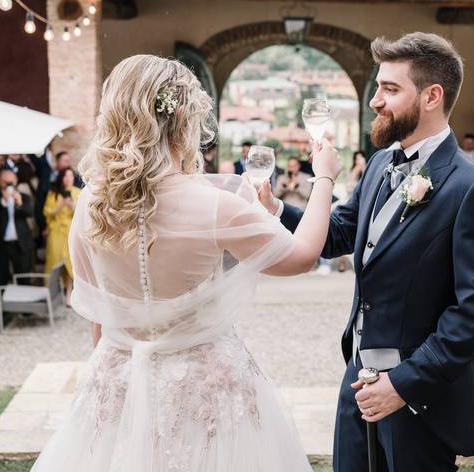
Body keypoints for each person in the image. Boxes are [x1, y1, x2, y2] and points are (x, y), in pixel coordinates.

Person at [31, 55, 341, 471]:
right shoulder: (216, 207)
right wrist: (324, 178)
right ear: (182, 117)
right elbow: (303, 256)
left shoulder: (90, 204)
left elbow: (99, 313)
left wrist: (116, 381)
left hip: (116, 382)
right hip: (206, 396)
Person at [262, 32, 474, 472]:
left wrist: (403, 384)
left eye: (390, 89)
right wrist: (277, 209)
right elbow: (340, 233)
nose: (376, 100)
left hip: (417, 400)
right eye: (378, 87)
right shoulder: (380, 164)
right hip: (356, 381)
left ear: (432, 96)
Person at [0, 168, 35, 285]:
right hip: (1, 244)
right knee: (1, 277)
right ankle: (2, 302)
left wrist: (19, 203)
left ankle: (23, 301)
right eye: (5, 182)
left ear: (16, 181)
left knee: (23, 277)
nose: (9, 185)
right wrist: (3, 201)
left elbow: (30, 212)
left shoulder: (23, 197)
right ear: (0, 182)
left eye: (11, 182)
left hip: (20, 244)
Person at [42, 167, 80, 303]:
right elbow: (47, 212)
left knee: (71, 262)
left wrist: (72, 205)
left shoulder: (77, 192)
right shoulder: (53, 193)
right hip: (57, 232)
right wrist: (60, 205)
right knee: (54, 260)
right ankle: (51, 293)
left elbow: (81, 214)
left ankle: (69, 293)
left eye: (70, 176)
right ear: (61, 178)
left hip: (71, 231)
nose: (68, 178)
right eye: (65, 176)